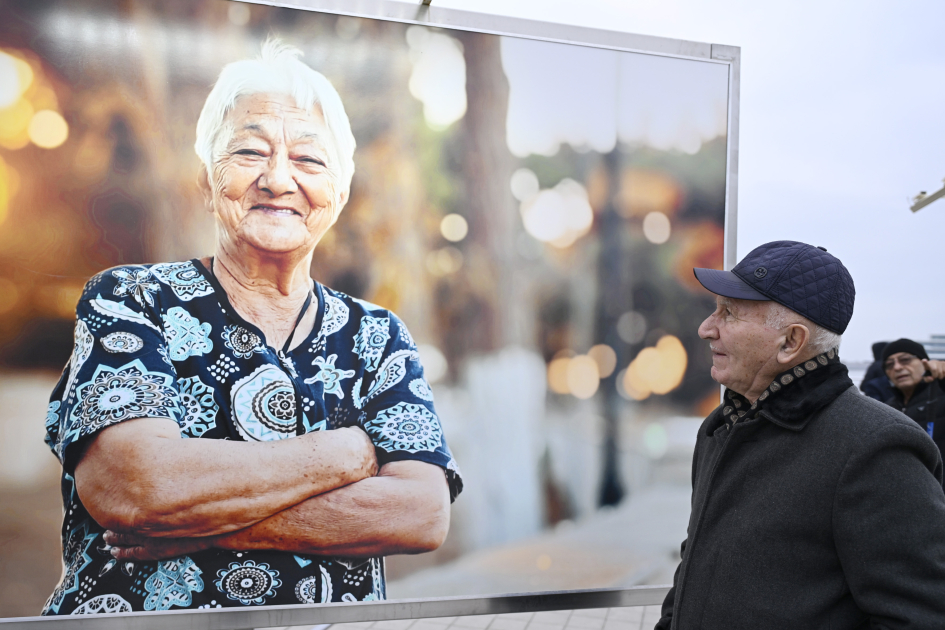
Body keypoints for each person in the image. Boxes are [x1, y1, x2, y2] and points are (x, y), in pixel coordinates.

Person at [41, 39, 462, 615]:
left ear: (338, 194)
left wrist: (195, 523)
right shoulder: (132, 300)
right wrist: (349, 454)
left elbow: (420, 514)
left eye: (310, 160)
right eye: (249, 152)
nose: (278, 179)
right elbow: (139, 490)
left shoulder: (378, 337)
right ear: (207, 182)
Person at [656, 241, 945, 630]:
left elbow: (920, 616)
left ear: (791, 342)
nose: (706, 328)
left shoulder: (876, 448)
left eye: (728, 312)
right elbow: (694, 563)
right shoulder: (720, 427)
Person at [881, 338, 945, 468]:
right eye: (889, 364)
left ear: (925, 363)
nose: (897, 367)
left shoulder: (941, 393)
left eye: (905, 360)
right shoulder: (886, 408)